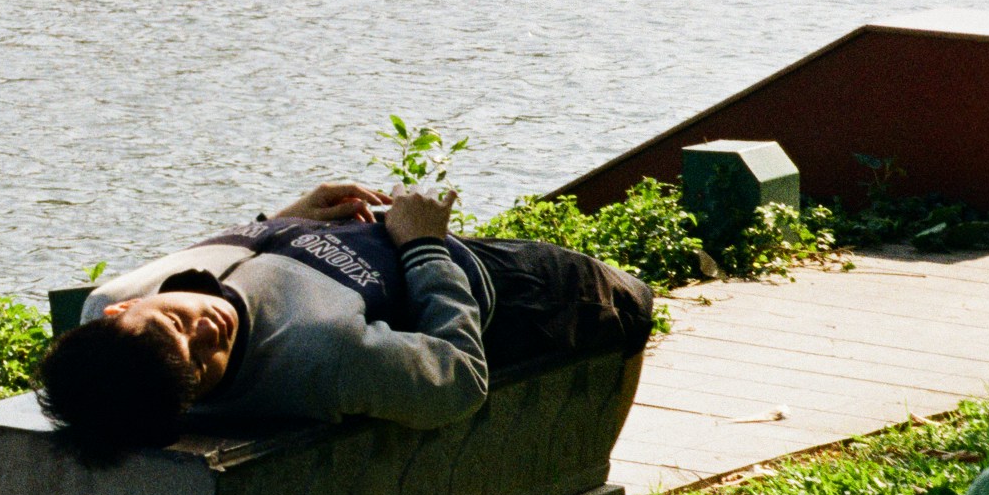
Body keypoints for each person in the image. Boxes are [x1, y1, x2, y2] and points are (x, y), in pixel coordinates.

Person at [35, 179, 652, 461]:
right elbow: (459, 380)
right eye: (202, 365)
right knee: (629, 302)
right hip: (499, 287)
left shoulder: (102, 305)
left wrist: (287, 218)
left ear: (122, 311)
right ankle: (590, 490)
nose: (206, 332)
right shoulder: (324, 356)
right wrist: (424, 246)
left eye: (176, 323)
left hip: (365, 246)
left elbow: (212, 259)